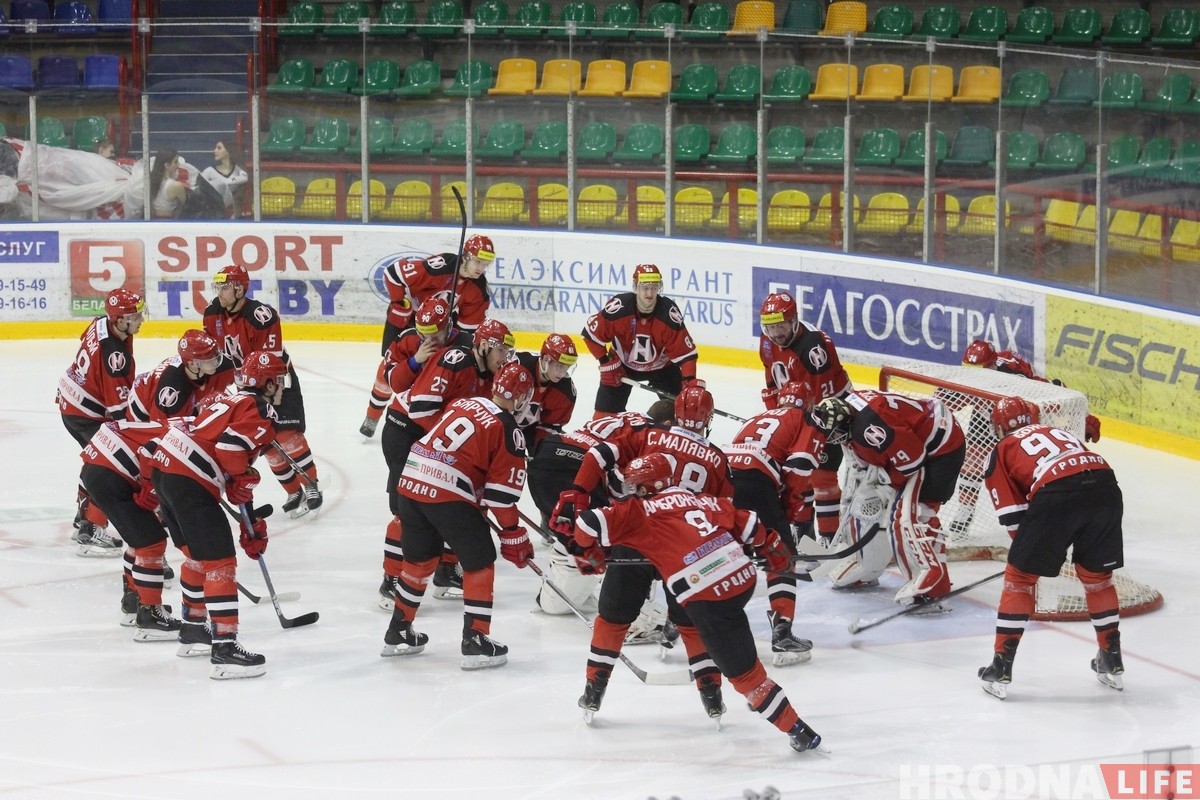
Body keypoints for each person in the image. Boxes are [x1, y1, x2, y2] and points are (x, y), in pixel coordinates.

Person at [564, 453, 823, 753]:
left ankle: (799, 731)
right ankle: (711, 690)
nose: (633, 491)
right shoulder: (700, 500)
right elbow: (750, 522)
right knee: (699, 622)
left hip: (708, 594)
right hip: (742, 578)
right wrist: (771, 545)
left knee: (747, 676)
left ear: (647, 487)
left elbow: (587, 522)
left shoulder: (639, 510)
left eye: (637, 486)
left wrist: (584, 550)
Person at [552, 384, 734, 652]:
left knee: (614, 602)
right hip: (683, 546)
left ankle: (601, 668)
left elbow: (598, 453)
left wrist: (577, 493)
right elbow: (723, 516)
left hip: (638, 530)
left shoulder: (650, 434)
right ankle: (680, 626)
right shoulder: (718, 459)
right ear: (708, 418)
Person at [380, 361, 534, 670]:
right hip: (446, 492)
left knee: (419, 561)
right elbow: (500, 498)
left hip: (411, 483)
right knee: (480, 560)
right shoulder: (508, 429)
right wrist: (513, 533)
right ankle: (475, 639)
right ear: (519, 399)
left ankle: (398, 631)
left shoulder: (465, 402)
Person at [977, 397, 1125, 699]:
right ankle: (1111, 658)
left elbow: (1015, 520)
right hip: (1106, 485)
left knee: (1019, 580)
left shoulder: (1001, 449)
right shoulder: (1059, 431)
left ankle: (1001, 666)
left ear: (999, 427)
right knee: (1098, 580)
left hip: (1057, 491)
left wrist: (1030, 559)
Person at [151, 350, 287, 679]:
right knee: (220, 563)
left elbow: (223, 450)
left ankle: (194, 629)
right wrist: (240, 479)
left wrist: (248, 517)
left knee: (198, 557)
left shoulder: (231, 399)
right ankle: (224, 649)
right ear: (268, 384)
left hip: (166, 467)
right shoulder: (261, 407)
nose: (283, 387)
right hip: (189, 478)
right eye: (280, 381)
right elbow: (229, 449)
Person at [378, 317, 516, 607]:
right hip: (406, 431)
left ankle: (445, 573)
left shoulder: (491, 375)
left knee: (466, 502)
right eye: (501, 350)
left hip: (441, 442)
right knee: (407, 511)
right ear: (484, 347)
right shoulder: (455, 360)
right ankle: (390, 581)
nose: (505, 358)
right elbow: (420, 411)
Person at [810, 390, 966, 605]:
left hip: (938, 446)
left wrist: (886, 485)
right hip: (908, 440)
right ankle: (868, 567)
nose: (835, 440)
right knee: (863, 503)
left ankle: (934, 586)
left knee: (915, 514)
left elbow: (913, 461)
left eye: (836, 433)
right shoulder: (850, 413)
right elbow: (867, 461)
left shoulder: (868, 426)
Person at [526, 400, 675, 614]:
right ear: (668, 422)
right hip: (577, 466)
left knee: (581, 531)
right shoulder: (652, 434)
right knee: (611, 532)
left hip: (546, 455)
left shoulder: (628, 417)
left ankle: (566, 566)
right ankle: (627, 608)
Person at [203, 263, 322, 518]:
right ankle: (293, 490)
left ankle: (311, 486)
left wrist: (261, 392)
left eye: (223, 287)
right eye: (218, 287)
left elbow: (269, 361)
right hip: (246, 384)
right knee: (265, 441)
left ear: (238, 288)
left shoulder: (261, 316)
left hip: (276, 380)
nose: (219, 292)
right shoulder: (212, 313)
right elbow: (216, 354)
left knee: (287, 434)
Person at [725, 379, 825, 666]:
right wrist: (792, 508)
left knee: (725, 553)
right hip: (758, 481)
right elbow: (800, 467)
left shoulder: (757, 417)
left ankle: (681, 622)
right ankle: (782, 633)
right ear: (809, 402)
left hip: (727, 478)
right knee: (780, 558)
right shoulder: (808, 418)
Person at [363, 234, 495, 436]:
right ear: (466, 256)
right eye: (478, 262)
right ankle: (373, 415)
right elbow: (393, 273)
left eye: (485, 264)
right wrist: (400, 304)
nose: (481, 268)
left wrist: (452, 344)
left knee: (435, 369)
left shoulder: (479, 291)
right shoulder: (440, 266)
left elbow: (467, 331)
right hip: (408, 320)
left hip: (438, 330)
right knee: (388, 368)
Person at [56, 287, 146, 557]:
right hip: (85, 414)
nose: (141, 320)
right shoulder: (114, 357)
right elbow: (120, 413)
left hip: (72, 401)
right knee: (112, 465)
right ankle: (90, 527)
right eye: (136, 316)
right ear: (120, 320)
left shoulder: (100, 322)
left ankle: (84, 516)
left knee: (97, 459)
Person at [758, 290, 852, 542]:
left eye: (780, 326)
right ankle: (803, 529)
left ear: (793, 320)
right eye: (770, 327)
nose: (776, 333)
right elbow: (771, 379)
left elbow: (819, 404)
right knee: (796, 472)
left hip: (833, 411)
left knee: (821, 474)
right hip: (795, 408)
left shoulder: (812, 350)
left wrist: (797, 430)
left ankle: (830, 537)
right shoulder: (767, 341)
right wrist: (775, 416)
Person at [80, 417, 180, 640]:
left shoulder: (192, 427)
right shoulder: (195, 438)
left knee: (141, 538)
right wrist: (149, 486)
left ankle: (134, 602)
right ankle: (150, 617)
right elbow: (150, 451)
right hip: (110, 474)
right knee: (150, 542)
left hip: (101, 467)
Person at [582, 264, 698, 418]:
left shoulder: (668, 314)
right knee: (602, 418)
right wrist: (605, 364)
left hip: (663, 369)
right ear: (636, 286)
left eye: (654, 287)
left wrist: (689, 381)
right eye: (645, 287)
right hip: (621, 366)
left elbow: (686, 354)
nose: (649, 293)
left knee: (684, 415)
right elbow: (590, 335)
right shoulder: (619, 308)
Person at [962, 339, 1101, 443]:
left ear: (991, 365)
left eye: (978, 369)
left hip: (1016, 420)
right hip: (984, 419)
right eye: (967, 368)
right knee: (973, 464)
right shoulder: (965, 377)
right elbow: (945, 400)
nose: (971, 374)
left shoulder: (1015, 377)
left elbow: (1056, 388)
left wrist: (1085, 418)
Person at [360, 296, 461, 438]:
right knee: (383, 376)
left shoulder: (463, 346)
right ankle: (372, 416)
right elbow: (395, 383)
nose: (430, 340)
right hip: (411, 407)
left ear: (448, 326)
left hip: (443, 411)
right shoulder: (407, 340)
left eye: (436, 334)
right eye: (424, 334)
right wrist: (415, 360)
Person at [126, 329, 231, 423]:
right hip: (143, 414)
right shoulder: (171, 391)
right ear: (192, 364)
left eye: (215, 355)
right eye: (209, 359)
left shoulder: (219, 366)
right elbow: (159, 429)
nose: (215, 362)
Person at [513, 333, 579, 452]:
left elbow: (550, 426)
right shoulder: (517, 368)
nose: (562, 373)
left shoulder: (566, 391)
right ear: (545, 359)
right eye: (558, 366)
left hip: (528, 431)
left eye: (567, 367)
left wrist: (538, 451)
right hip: (497, 425)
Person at [199, 139, 248, 218]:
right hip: (214, 212)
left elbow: (244, 177)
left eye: (219, 148)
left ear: (228, 151)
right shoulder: (209, 171)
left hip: (235, 210)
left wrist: (222, 183)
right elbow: (199, 186)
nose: (214, 151)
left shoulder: (237, 168)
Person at [149, 148, 187, 219]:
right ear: (167, 165)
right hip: (168, 222)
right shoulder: (176, 185)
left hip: (152, 221)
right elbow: (185, 203)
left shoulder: (149, 180)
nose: (178, 165)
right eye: (176, 162)